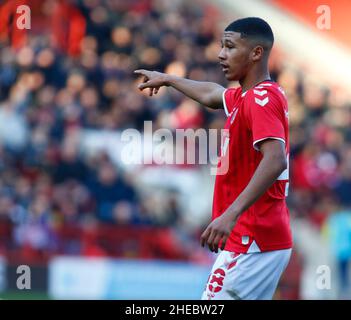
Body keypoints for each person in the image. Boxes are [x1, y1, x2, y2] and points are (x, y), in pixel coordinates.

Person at [134, 17, 292, 300]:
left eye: (230, 47)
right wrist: (169, 79)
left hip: (250, 238)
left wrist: (230, 215)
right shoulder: (250, 97)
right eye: (221, 46)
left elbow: (275, 159)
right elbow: (212, 94)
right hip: (260, 237)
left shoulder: (260, 99)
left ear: (256, 53)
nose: (221, 54)